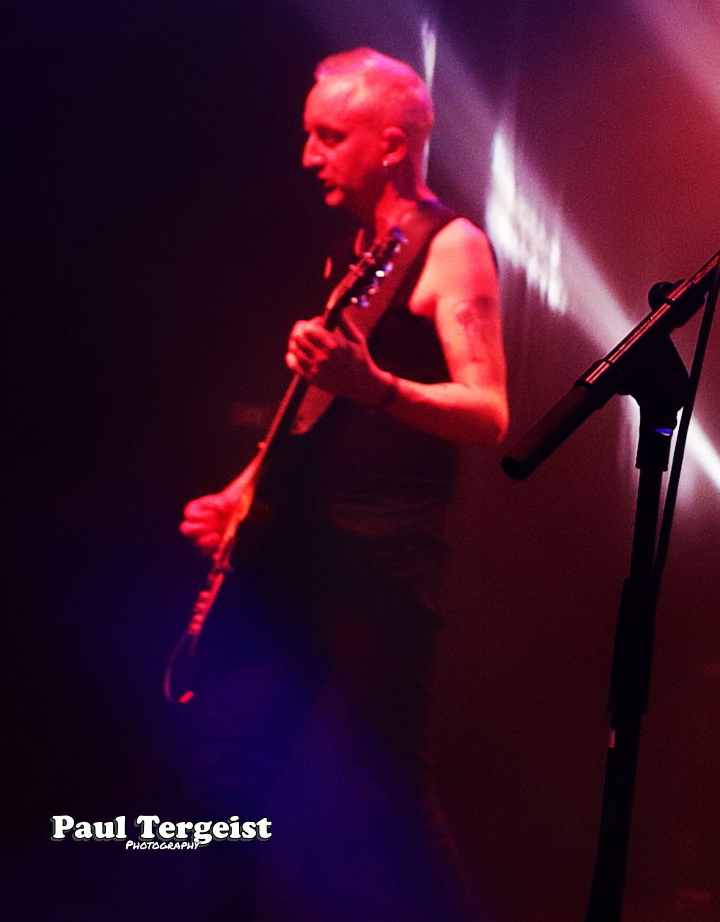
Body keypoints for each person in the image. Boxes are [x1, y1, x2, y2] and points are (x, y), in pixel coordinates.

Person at [179, 47, 507, 921]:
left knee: (387, 793)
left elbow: (490, 413)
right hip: (300, 552)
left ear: (393, 144)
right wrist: (244, 489)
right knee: (228, 768)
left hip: (382, 565)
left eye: (329, 136)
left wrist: (381, 387)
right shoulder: (361, 251)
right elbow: (316, 409)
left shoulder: (451, 248)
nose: (308, 156)